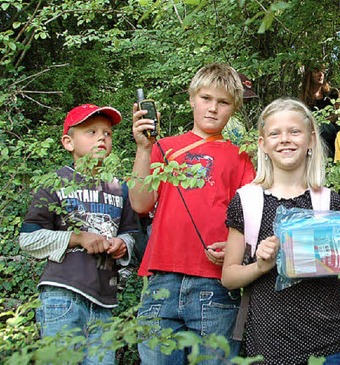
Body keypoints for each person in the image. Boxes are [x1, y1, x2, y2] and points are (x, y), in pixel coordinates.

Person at [221, 98, 340, 364]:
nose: (285, 139)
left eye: (294, 131)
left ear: (311, 140)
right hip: (269, 345)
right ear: (263, 144)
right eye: (274, 133)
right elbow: (229, 276)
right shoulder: (247, 201)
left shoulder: (329, 201)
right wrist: (260, 266)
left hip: (331, 343)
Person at [130, 63, 255, 364]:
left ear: (234, 108)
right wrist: (144, 149)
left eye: (223, 102)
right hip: (162, 279)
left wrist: (236, 249)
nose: (213, 108)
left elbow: (251, 217)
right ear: (191, 99)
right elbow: (139, 203)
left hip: (214, 284)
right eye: (206, 98)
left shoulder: (240, 157)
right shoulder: (164, 147)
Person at [19, 104, 138, 365]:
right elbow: (28, 239)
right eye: (91, 132)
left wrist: (122, 244)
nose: (101, 138)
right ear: (68, 142)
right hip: (62, 295)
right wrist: (77, 238)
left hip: (105, 300)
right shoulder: (55, 183)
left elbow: (132, 233)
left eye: (107, 133)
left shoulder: (121, 188)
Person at [299, 63, 340, 159]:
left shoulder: (332, 94)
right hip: (313, 136)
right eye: (316, 71)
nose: (320, 74)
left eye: (323, 71)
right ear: (309, 74)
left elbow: (339, 116)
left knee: (324, 128)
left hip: (332, 134)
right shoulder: (304, 100)